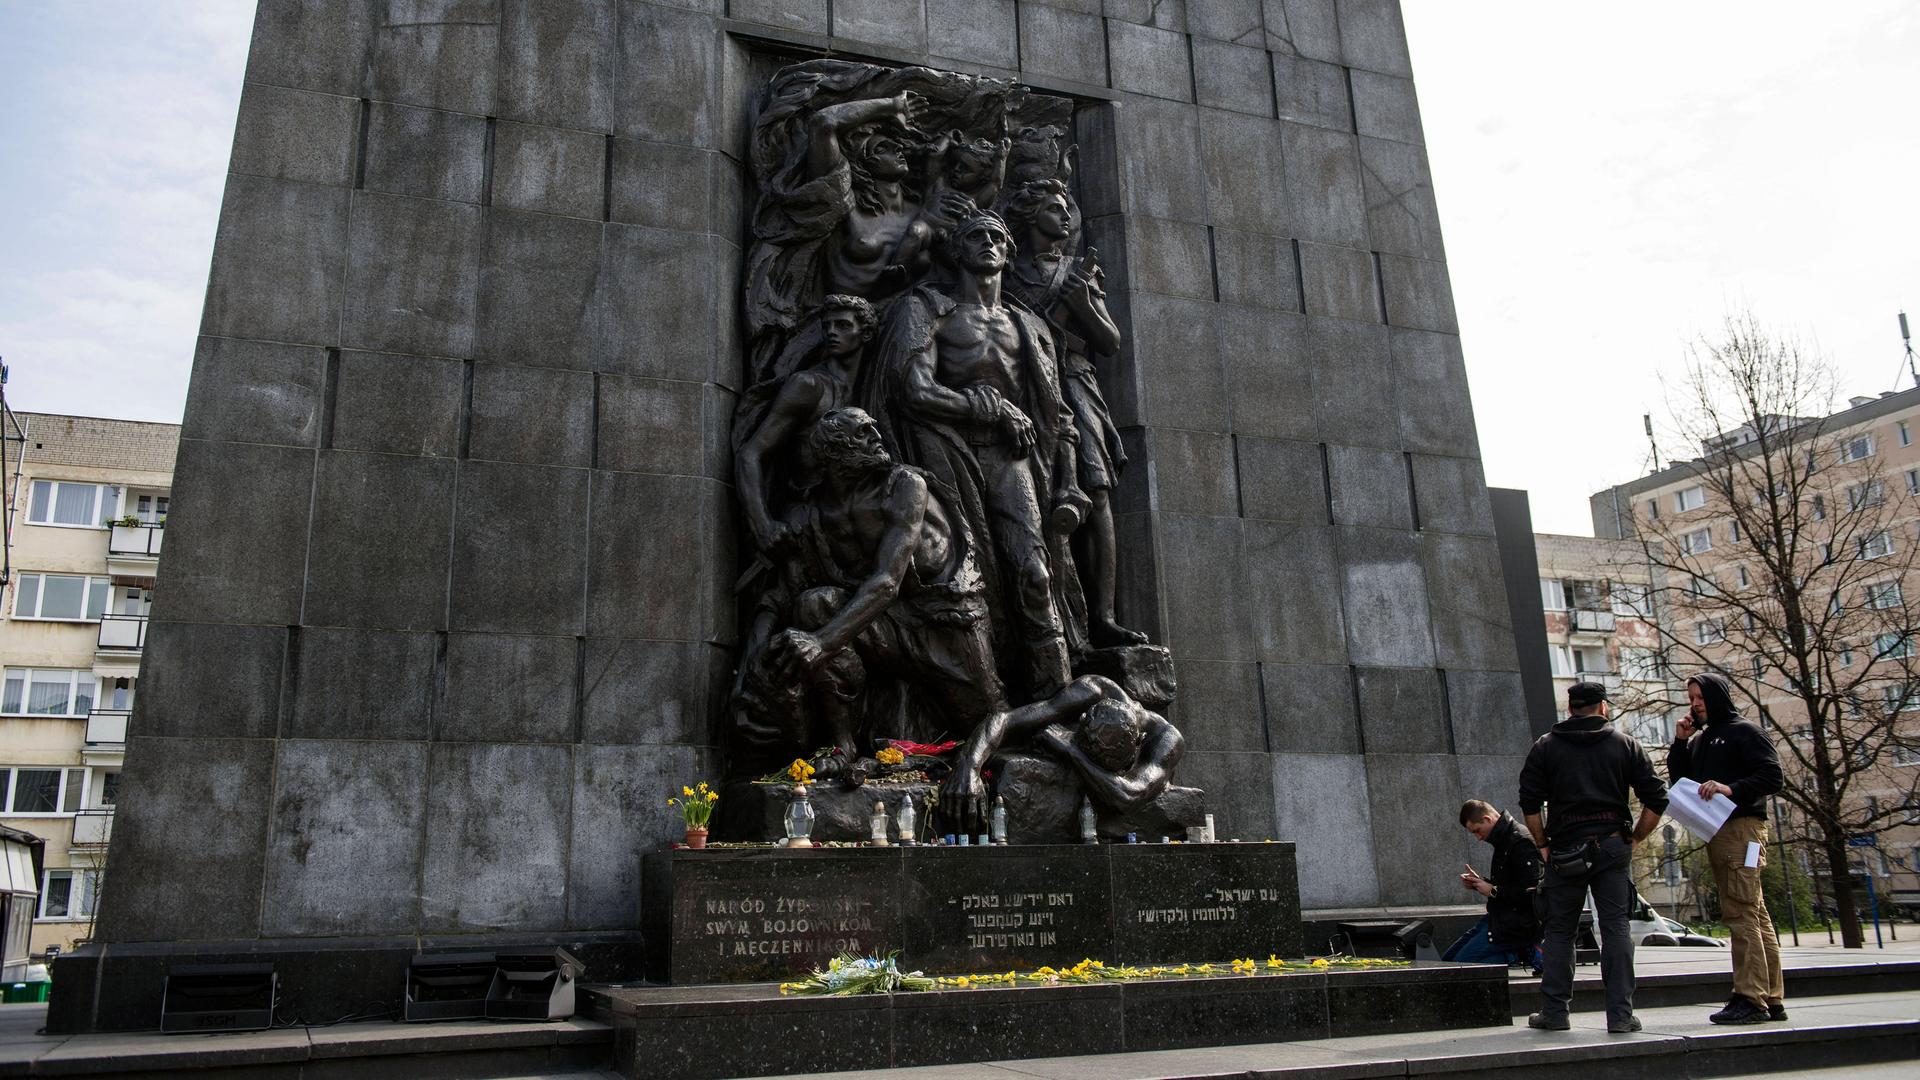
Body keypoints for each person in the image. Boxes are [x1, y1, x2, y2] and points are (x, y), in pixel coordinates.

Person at [1518, 681, 1669, 1034]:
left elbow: (1529, 803)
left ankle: (1555, 1013)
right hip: (1612, 844)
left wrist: (1542, 844)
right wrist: (1635, 837)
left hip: (1565, 847)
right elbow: (1657, 799)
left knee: (1559, 931)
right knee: (1615, 928)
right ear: (1602, 707)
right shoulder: (1624, 744)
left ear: (1570, 709)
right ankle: (1620, 1015)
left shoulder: (1546, 747)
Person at [1669, 672, 1787, 1024]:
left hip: (1741, 830)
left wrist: (1729, 788)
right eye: (1690, 698)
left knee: (1740, 912)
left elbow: (1772, 776)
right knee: (1755, 912)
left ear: (1716, 697)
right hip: (1719, 831)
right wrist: (1679, 743)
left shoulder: (1745, 732)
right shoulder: (1703, 740)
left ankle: (1749, 997)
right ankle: (1770, 996)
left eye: (1700, 697)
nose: (1694, 704)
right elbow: (1681, 781)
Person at [937, 673, 1184, 835]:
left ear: (1138, 742)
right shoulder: (1091, 691)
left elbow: (1128, 795)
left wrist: (1071, 751)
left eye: (1111, 765)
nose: (1103, 769)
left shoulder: (1166, 741)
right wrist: (969, 767)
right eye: (1092, 754)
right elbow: (1004, 721)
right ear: (1082, 719)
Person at [1444, 799, 1543, 972]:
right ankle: (1518, 951)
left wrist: (1493, 891)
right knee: (1446, 962)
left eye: (1477, 831)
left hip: (1516, 926)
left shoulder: (1520, 841)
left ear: (1488, 819)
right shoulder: (1503, 840)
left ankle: (1520, 953)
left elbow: (1533, 893)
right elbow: (1509, 883)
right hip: (1499, 920)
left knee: (1458, 968)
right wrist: (1480, 883)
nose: (1478, 838)